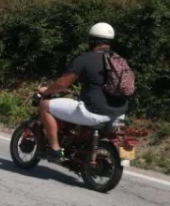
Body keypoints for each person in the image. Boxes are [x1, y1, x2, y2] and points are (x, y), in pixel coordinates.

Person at [37, 22, 129, 159]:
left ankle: (55, 149)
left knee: (44, 106)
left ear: (92, 40)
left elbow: (62, 84)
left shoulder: (86, 58)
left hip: (94, 112)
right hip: (119, 114)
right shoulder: (119, 60)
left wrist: (45, 91)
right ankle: (77, 151)